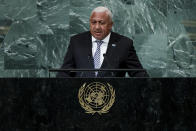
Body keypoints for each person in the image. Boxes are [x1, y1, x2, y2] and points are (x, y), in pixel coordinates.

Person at [57, 6, 148, 77]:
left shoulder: (124, 44)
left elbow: (139, 75)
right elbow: (64, 73)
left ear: (110, 25)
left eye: (101, 23)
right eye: (94, 22)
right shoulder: (76, 41)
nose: (97, 27)